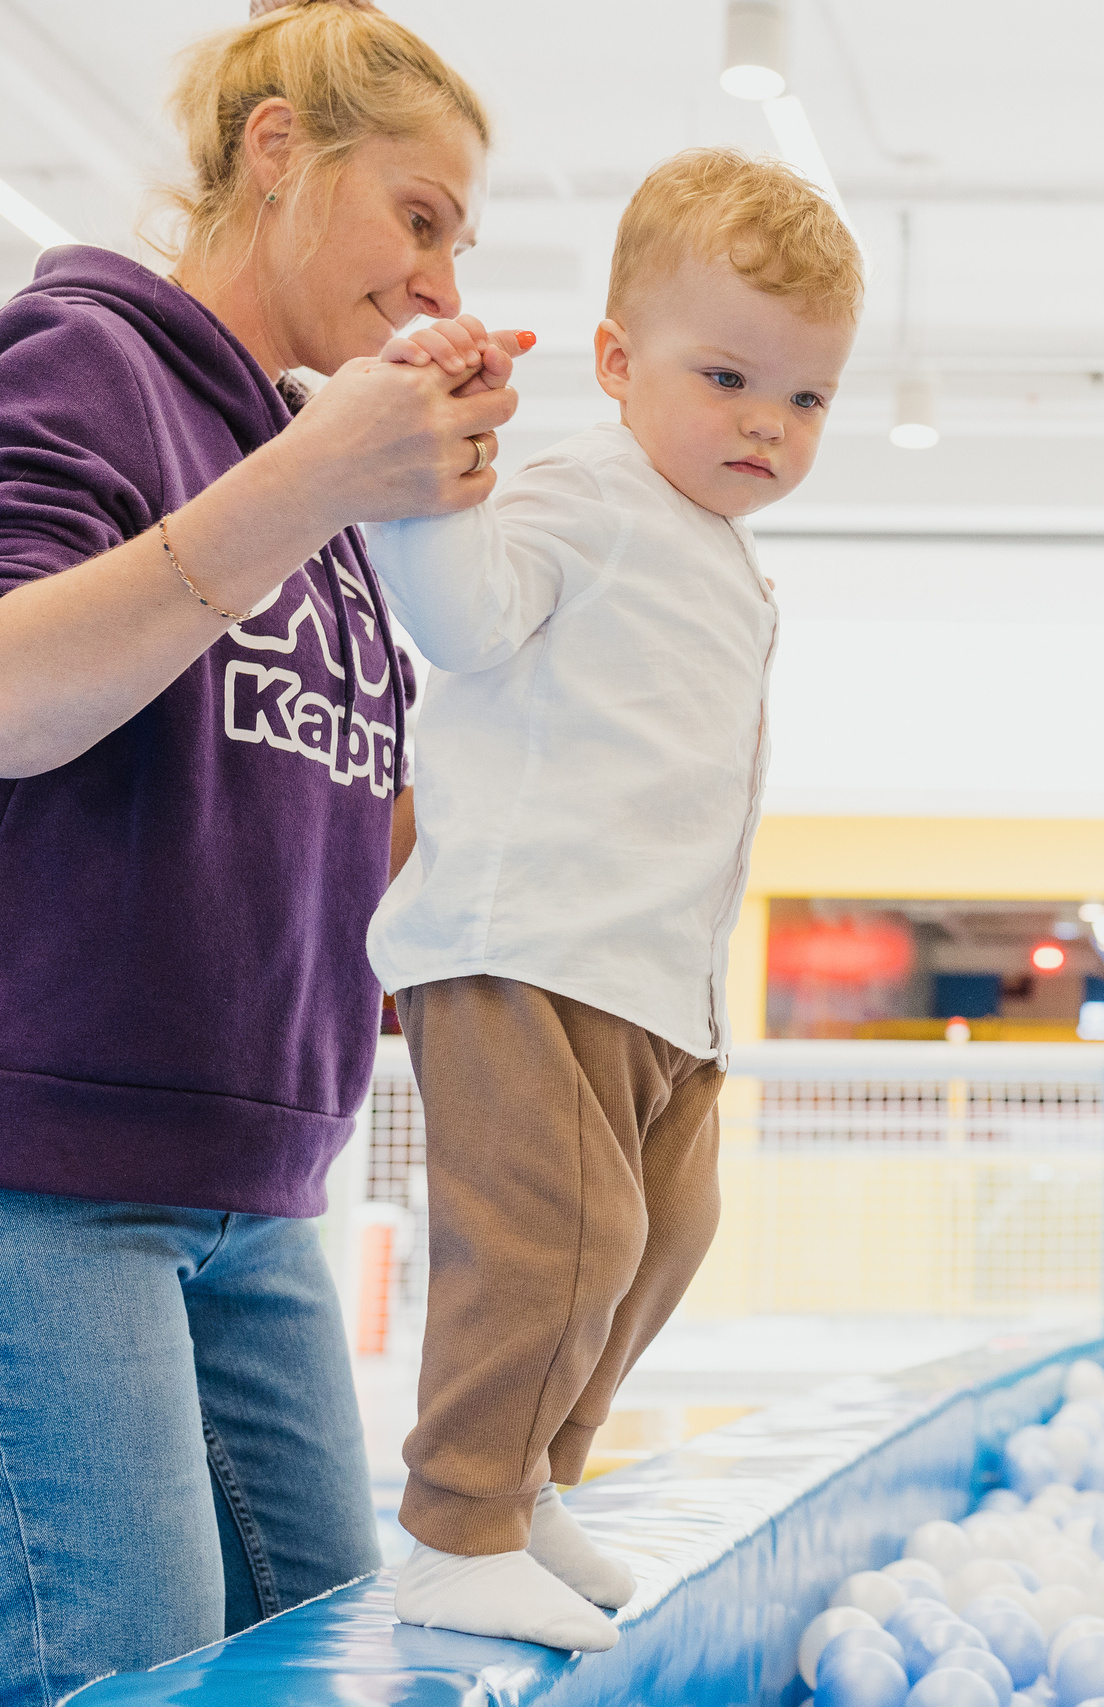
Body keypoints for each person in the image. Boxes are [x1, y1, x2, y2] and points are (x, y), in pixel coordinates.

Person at [0, 1, 521, 1700]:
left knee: (328, 1669)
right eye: (420, 216)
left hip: (263, 1197)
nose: (441, 279)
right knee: (132, 1676)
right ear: (279, 151)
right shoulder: (80, 364)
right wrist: (311, 482)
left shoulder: (318, 476)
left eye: (460, 240)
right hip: (53, 1179)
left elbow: (324, 823)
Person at [363, 147, 864, 1650]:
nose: (768, 426)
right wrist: (424, 473)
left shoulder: (721, 556)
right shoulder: (584, 483)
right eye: (728, 378)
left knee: (664, 1230)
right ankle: (457, 1526)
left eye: (807, 399)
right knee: (553, 1235)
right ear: (613, 361)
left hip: (654, 978)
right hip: (531, 949)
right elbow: (460, 620)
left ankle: (529, 1484)